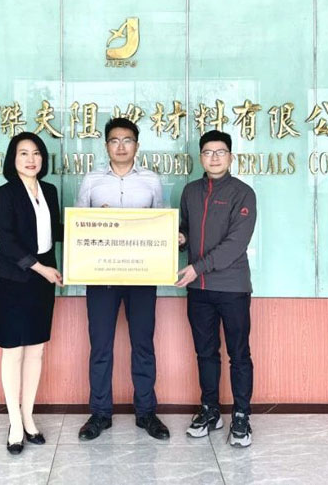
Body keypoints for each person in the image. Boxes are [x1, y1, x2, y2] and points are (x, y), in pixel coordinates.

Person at [75, 117, 170, 441]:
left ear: (136, 145)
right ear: (106, 146)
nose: (121, 146)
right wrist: (97, 219)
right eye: (114, 140)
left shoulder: (151, 181)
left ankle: (146, 413)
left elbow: (161, 224)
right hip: (101, 277)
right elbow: (78, 227)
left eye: (127, 140)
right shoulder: (91, 181)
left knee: (143, 344)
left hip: (142, 276)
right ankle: (100, 414)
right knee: (100, 346)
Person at [176, 130, 257, 447]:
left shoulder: (243, 193)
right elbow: (185, 230)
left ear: (231, 157)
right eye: (208, 152)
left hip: (232, 287)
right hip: (198, 290)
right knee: (205, 353)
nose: (214, 157)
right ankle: (210, 410)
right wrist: (180, 238)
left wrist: (197, 267)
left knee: (239, 354)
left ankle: (241, 415)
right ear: (200, 157)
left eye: (220, 152)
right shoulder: (190, 191)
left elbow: (236, 244)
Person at [0, 132, 63, 454]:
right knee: (13, 352)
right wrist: (41, 268)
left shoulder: (49, 190)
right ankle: (15, 424)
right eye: (23, 153)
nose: (31, 159)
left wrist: (95, 221)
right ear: (13, 158)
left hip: (42, 282)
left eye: (36, 153)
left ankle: (28, 416)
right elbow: (7, 241)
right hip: (14, 280)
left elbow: (56, 231)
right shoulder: (5, 193)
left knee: (36, 351)